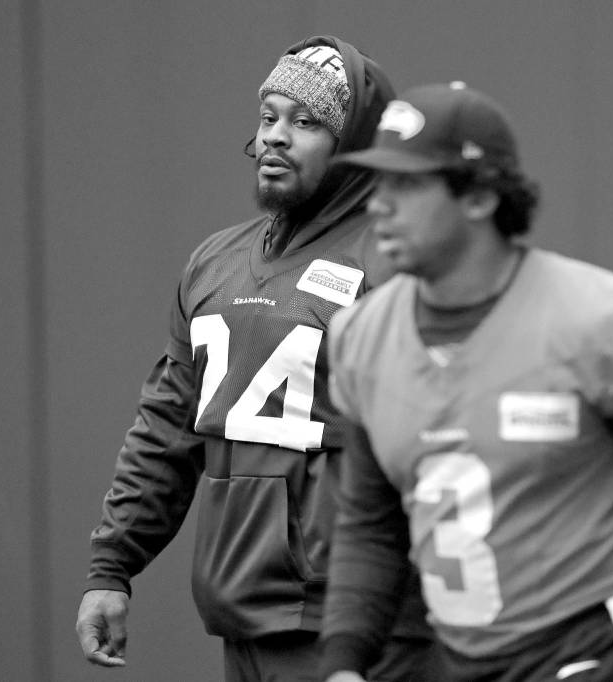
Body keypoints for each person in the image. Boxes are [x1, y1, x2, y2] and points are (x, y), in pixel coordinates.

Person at [319, 82, 613, 681]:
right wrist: (343, 661)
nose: (378, 205)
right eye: (378, 182)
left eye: (407, 184)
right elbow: (370, 522)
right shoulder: (363, 336)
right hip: (462, 658)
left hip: (594, 649)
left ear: (480, 197)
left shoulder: (595, 321)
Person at [75, 36, 435, 682]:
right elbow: (167, 428)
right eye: (269, 116)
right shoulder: (214, 261)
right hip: (240, 615)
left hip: (357, 628)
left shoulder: (394, 264)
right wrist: (112, 566)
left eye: (307, 122)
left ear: (354, 146)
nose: (275, 136)